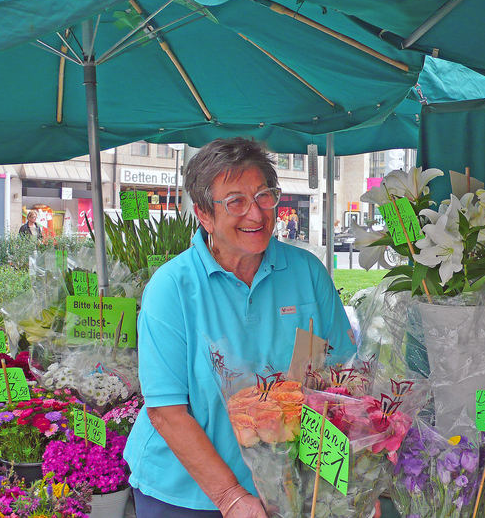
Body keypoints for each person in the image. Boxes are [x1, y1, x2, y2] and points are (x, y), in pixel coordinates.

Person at [124, 138, 357, 518]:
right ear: (204, 214)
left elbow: (334, 387)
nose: (256, 214)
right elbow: (166, 411)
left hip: (288, 487)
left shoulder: (306, 272)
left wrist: (345, 488)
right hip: (186, 494)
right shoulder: (172, 288)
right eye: (235, 202)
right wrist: (230, 497)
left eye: (265, 196)